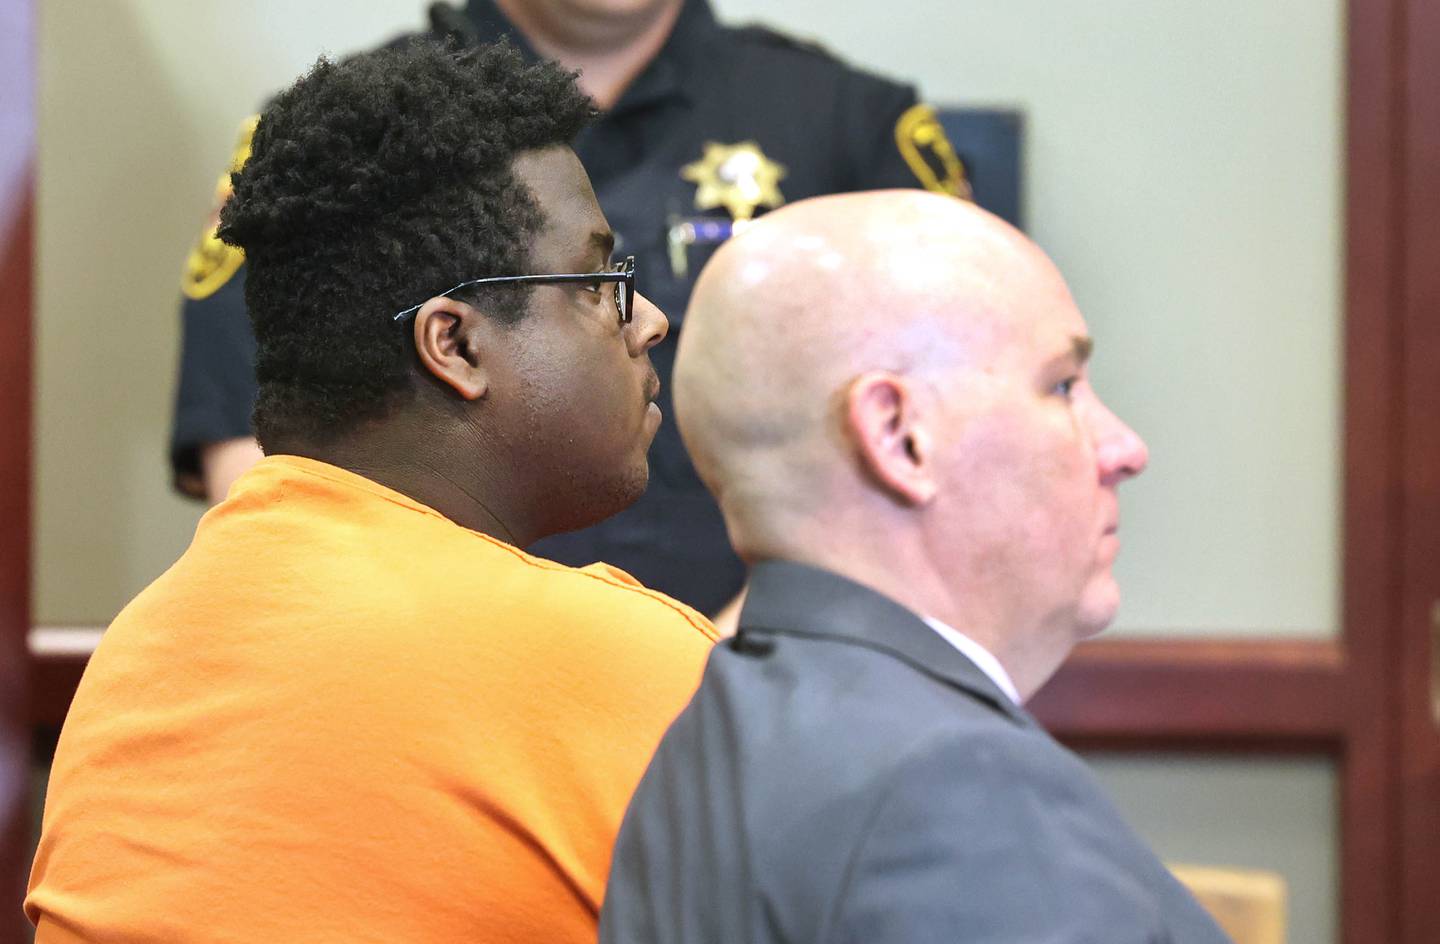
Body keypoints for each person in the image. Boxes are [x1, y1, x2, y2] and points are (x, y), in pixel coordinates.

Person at [29, 41, 715, 944]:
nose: (648, 322)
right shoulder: (620, 664)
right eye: (600, 284)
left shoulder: (141, 650)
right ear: (456, 344)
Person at [596, 191, 1267, 944]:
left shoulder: (713, 732)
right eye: (1061, 385)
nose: (1125, 447)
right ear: (899, 435)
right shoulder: (956, 785)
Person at [173, 0, 971, 620]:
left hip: (767, 705)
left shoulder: (850, 129)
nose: (646, 321)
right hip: (426, 688)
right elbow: (266, 455)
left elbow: (942, 428)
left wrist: (722, 676)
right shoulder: (345, 138)